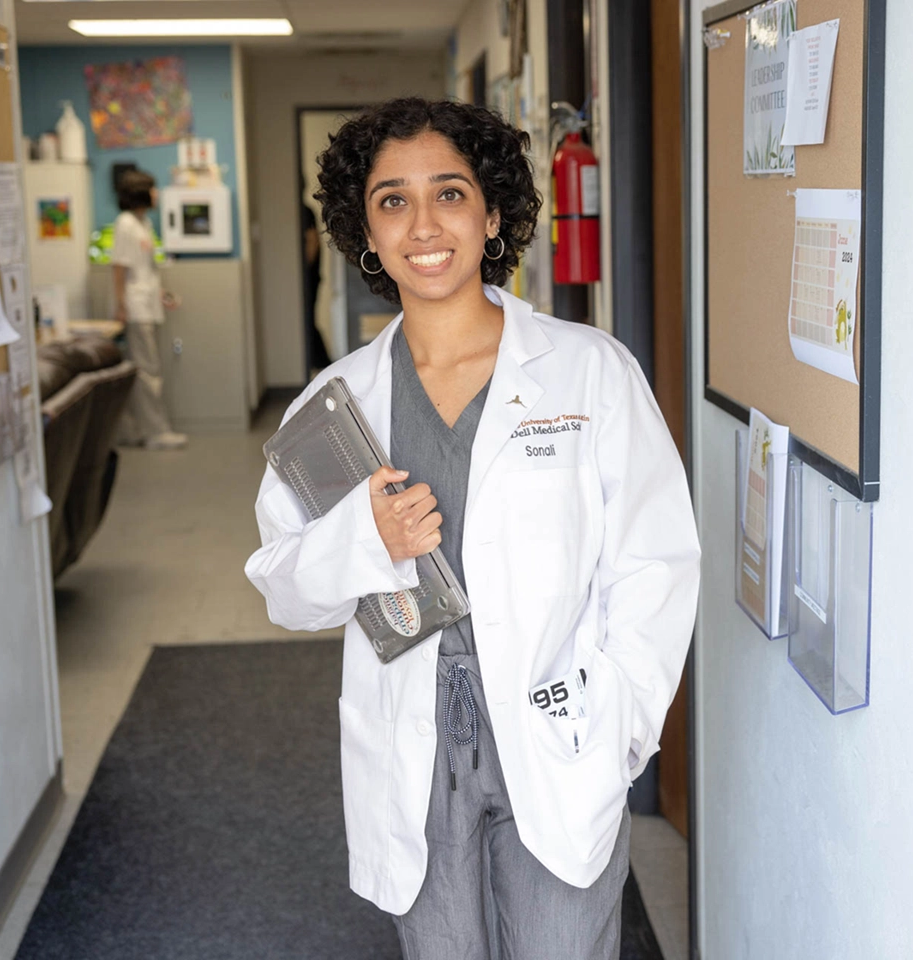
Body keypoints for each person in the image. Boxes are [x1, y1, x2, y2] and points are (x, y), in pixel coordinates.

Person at [245, 98, 700, 959]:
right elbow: (285, 591)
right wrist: (365, 540)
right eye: (392, 201)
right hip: (414, 737)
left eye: (449, 193)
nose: (423, 225)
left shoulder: (588, 372)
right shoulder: (335, 407)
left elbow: (656, 563)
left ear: (492, 215)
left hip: (559, 719)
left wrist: (621, 726)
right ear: (365, 231)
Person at [112, 169, 187, 450]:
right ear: (140, 193)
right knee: (147, 373)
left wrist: (162, 294)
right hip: (136, 309)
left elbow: (145, 270)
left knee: (142, 372)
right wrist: (121, 305)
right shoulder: (125, 224)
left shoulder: (143, 223)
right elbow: (119, 268)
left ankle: (133, 432)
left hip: (147, 304)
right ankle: (156, 432)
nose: (157, 194)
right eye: (153, 189)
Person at [302, 194, 333, 370]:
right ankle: (320, 362)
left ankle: (322, 363)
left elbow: (312, 240)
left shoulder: (304, 211)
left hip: (309, 277)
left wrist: (305, 269)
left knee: (308, 319)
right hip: (310, 275)